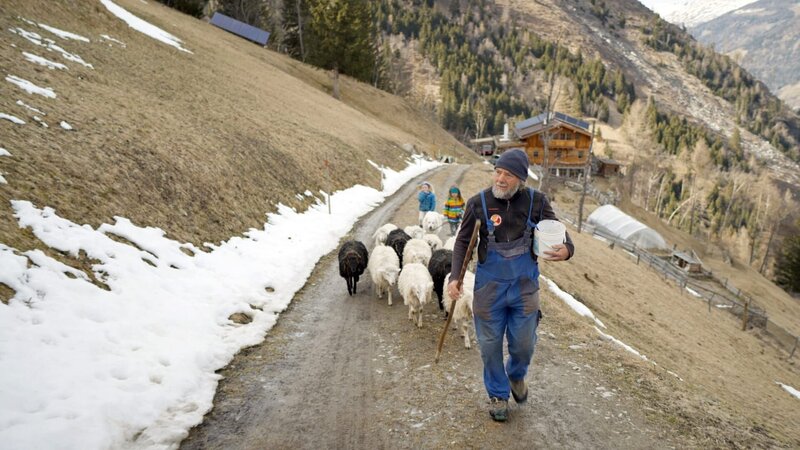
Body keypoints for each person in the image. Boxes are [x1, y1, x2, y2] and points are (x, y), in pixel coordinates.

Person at [447, 149, 574, 422]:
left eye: (509, 174)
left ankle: (516, 375)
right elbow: (462, 242)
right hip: (488, 290)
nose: (501, 179)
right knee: (489, 345)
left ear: (521, 179)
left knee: (524, 345)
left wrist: (567, 249)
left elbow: (561, 234)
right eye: (498, 172)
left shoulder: (536, 202)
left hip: (525, 290)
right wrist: (455, 276)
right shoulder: (478, 203)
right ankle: (497, 394)